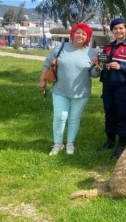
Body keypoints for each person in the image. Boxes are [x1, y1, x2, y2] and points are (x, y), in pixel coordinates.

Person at [39, 23, 100, 156]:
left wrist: (96, 68)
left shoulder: (91, 52)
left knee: (74, 118)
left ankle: (70, 143)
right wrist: (42, 80)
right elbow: (47, 64)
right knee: (59, 116)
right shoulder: (60, 47)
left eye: (84, 34)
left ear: (87, 37)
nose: (80, 35)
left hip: (81, 92)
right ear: (72, 34)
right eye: (78, 32)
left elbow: (94, 75)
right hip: (60, 89)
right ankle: (58, 144)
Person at [98, 18, 126, 158]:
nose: (118, 31)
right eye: (115, 28)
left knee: (123, 115)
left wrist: (121, 66)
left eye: (121, 28)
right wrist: (100, 66)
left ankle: (122, 144)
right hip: (108, 85)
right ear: (112, 31)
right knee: (109, 113)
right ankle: (110, 140)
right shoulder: (109, 46)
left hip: (124, 87)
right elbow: (104, 63)